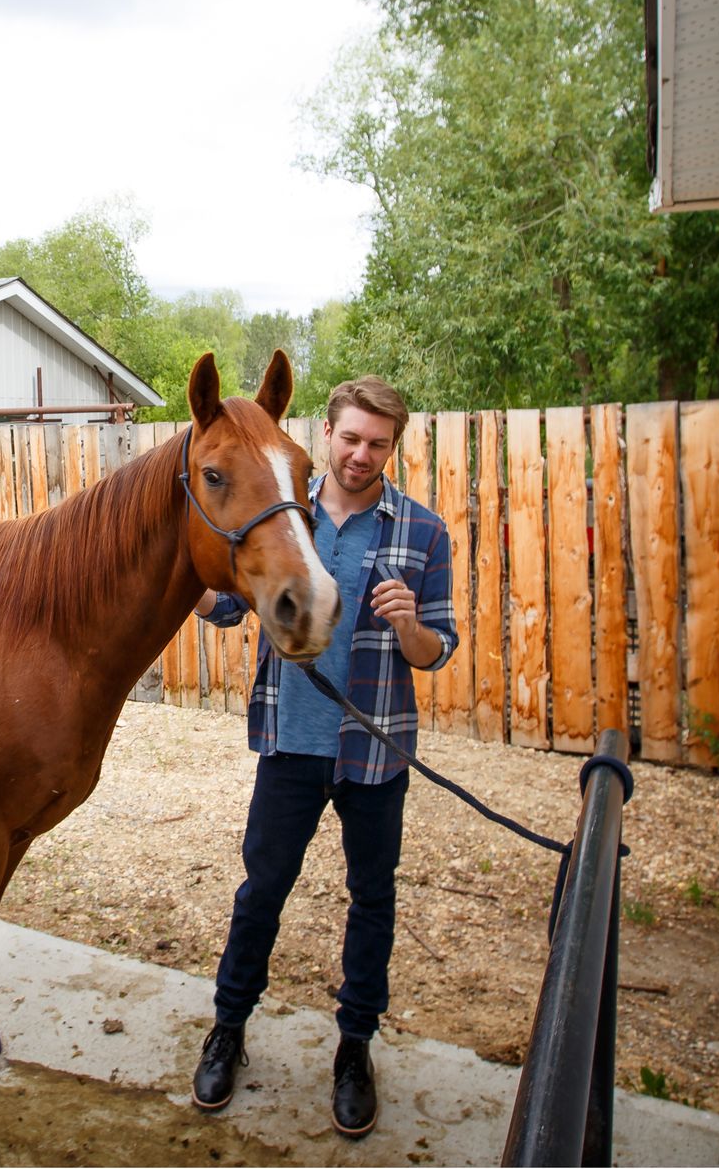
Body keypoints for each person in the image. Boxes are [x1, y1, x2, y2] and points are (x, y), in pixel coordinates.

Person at [188, 376, 459, 1139]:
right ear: (328, 433)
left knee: (372, 897)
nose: (360, 454)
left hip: (374, 748)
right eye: (349, 438)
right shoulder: (287, 511)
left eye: (377, 443)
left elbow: (438, 648)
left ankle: (352, 1048)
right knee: (261, 889)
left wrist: (410, 627)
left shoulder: (422, 532)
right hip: (290, 740)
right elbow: (234, 603)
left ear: (391, 447)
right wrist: (190, 588)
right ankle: (227, 1028)